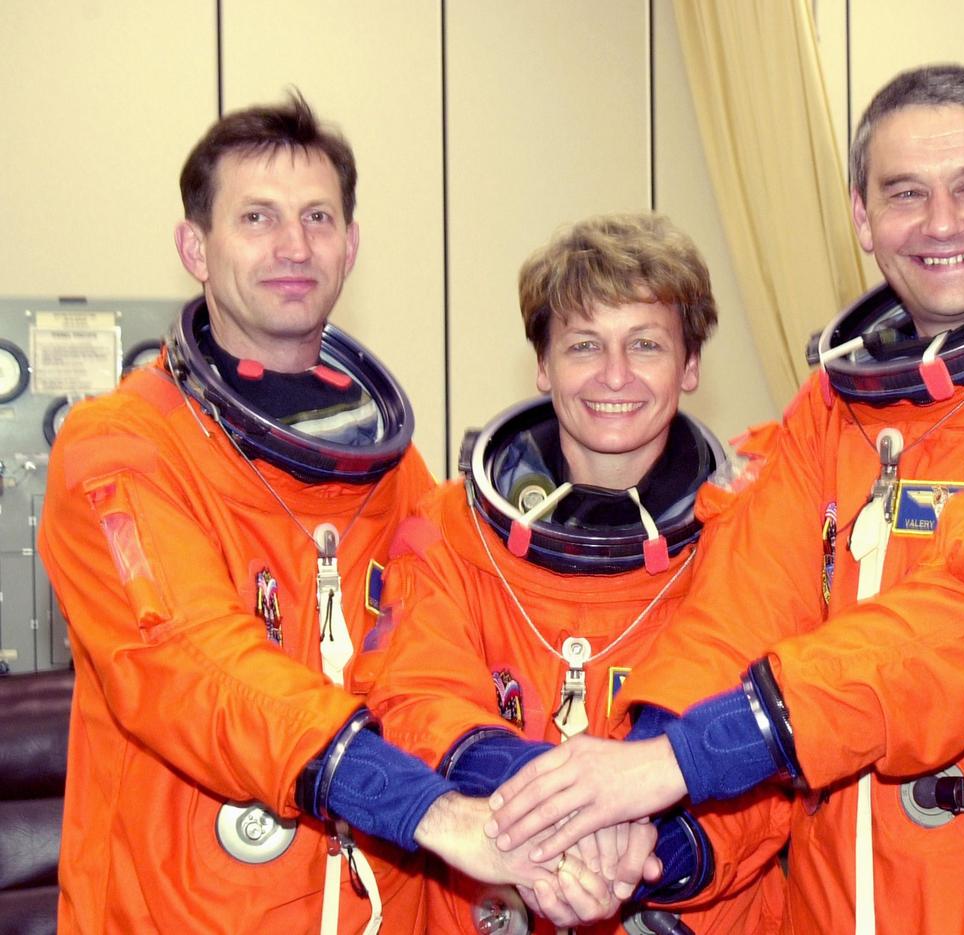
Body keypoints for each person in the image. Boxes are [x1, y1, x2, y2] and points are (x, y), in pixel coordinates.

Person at [483, 65, 964, 934]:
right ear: (863, 219)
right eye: (905, 193)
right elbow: (737, 610)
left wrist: (688, 755)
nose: (941, 223)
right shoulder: (833, 413)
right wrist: (643, 794)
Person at [38, 92, 579, 934]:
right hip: (181, 914)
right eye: (256, 217)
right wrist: (424, 807)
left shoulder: (392, 470)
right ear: (195, 247)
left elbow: (440, 672)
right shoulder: (117, 449)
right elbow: (190, 665)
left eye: (317, 218)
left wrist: (553, 793)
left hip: (378, 905)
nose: (294, 246)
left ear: (350, 246)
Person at [368, 213, 789, 934]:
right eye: (583, 344)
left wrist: (653, 848)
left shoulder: (751, 528)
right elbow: (415, 697)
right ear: (543, 364)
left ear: (690, 365)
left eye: (646, 344)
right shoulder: (448, 530)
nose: (614, 375)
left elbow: (774, 749)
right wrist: (569, 812)